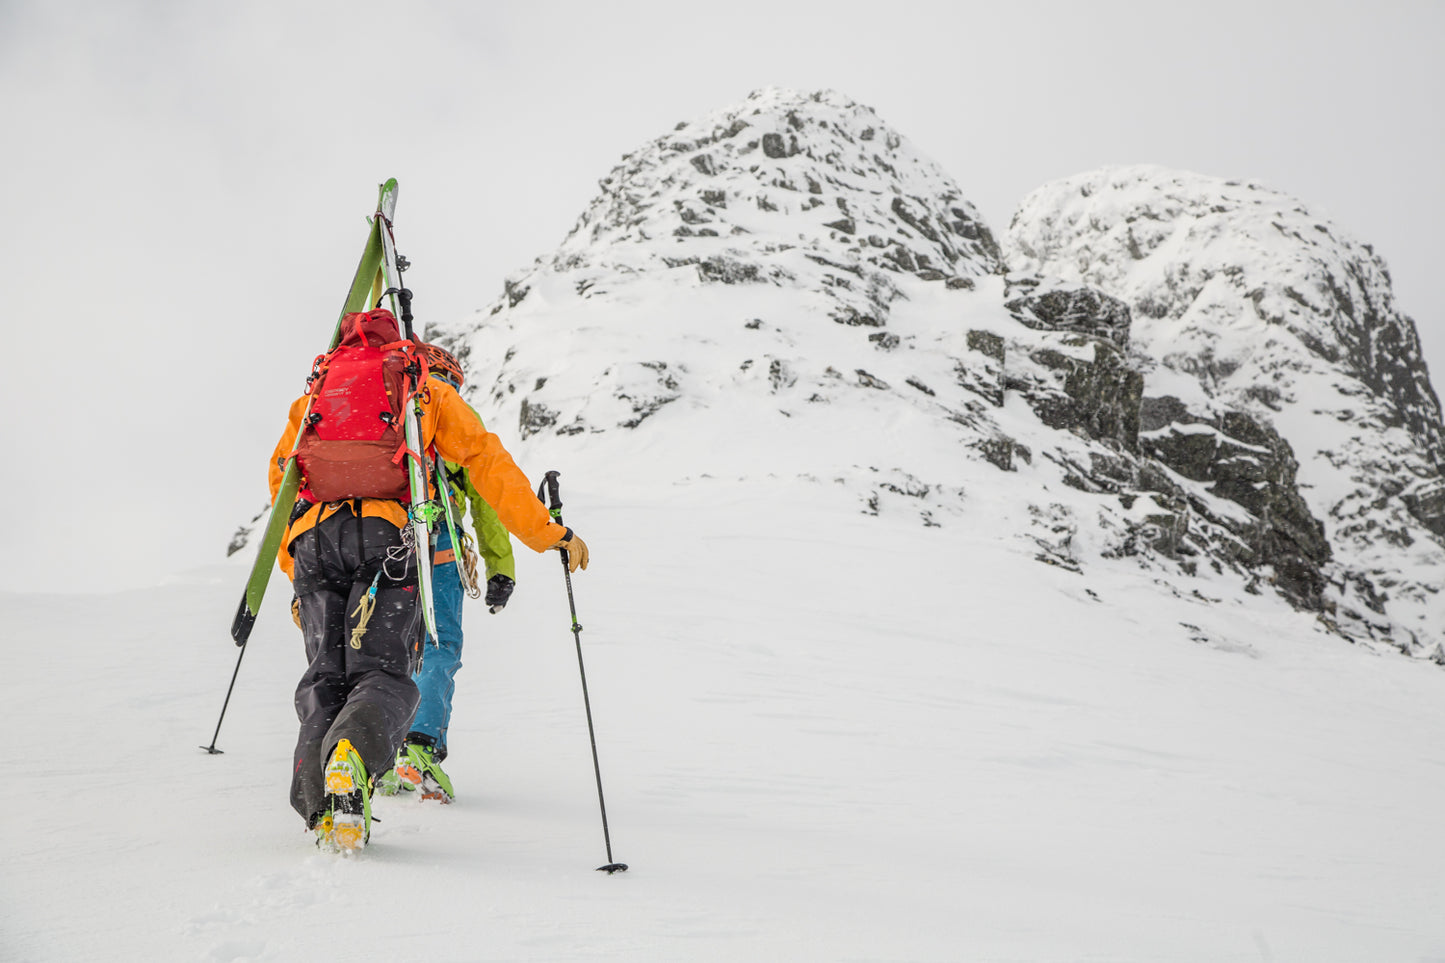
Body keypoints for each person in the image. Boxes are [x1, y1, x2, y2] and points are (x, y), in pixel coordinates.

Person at [269, 309, 589, 851]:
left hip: (314, 543)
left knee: (325, 677)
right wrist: (545, 534)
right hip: (391, 539)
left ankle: (321, 807)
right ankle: (360, 753)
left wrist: (292, 572)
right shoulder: (422, 393)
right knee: (388, 670)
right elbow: (487, 467)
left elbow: (283, 478)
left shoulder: (317, 397)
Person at [375, 344, 517, 803]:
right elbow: (486, 498)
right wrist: (500, 568)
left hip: (379, 543)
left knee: (383, 649)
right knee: (438, 645)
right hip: (438, 544)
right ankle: (419, 746)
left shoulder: (383, 408)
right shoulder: (453, 410)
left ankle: (374, 753)